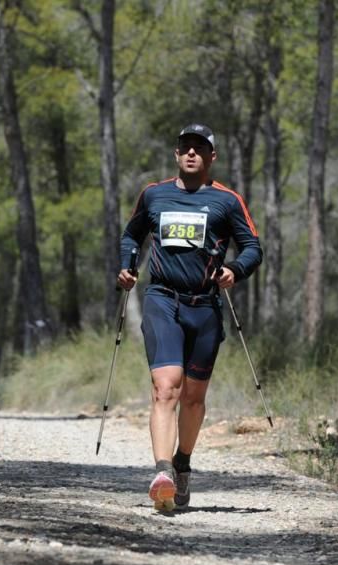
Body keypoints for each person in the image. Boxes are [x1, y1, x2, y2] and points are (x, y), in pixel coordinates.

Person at [117, 123, 263, 511]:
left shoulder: (227, 201)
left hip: (205, 307)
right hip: (162, 299)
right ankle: (162, 471)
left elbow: (252, 246)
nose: (192, 153)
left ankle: (182, 463)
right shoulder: (154, 195)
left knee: (194, 399)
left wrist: (236, 270)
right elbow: (131, 236)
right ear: (176, 154)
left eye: (200, 148)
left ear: (212, 156)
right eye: (185, 147)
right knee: (166, 388)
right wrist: (127, 266)